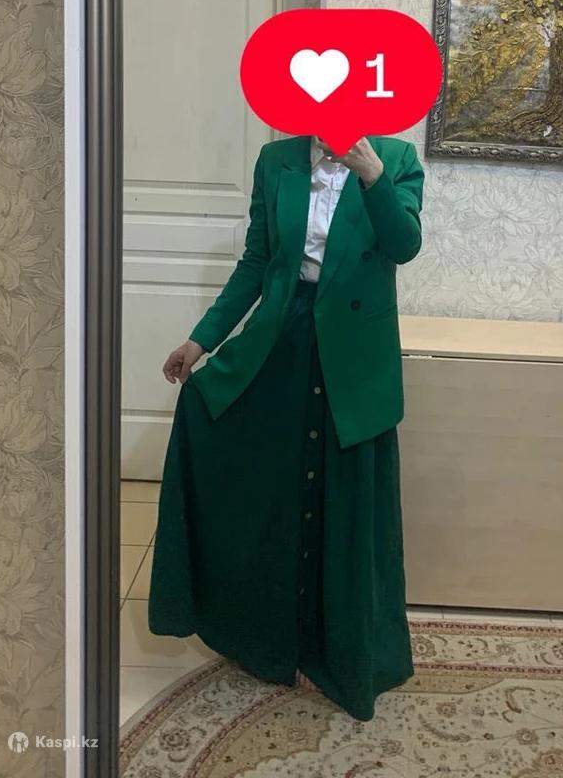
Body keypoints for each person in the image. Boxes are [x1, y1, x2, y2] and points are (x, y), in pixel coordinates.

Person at [148, 132, 424, 721]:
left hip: (355, 355)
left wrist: (372, 175)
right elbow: (257, 263)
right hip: (282, 339)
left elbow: (404, 245)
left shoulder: (395, 158)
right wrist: (201, 340)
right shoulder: (276, 160)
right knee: (270, 485)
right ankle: (268, 639)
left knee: (342, 501)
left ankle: (340, 650)